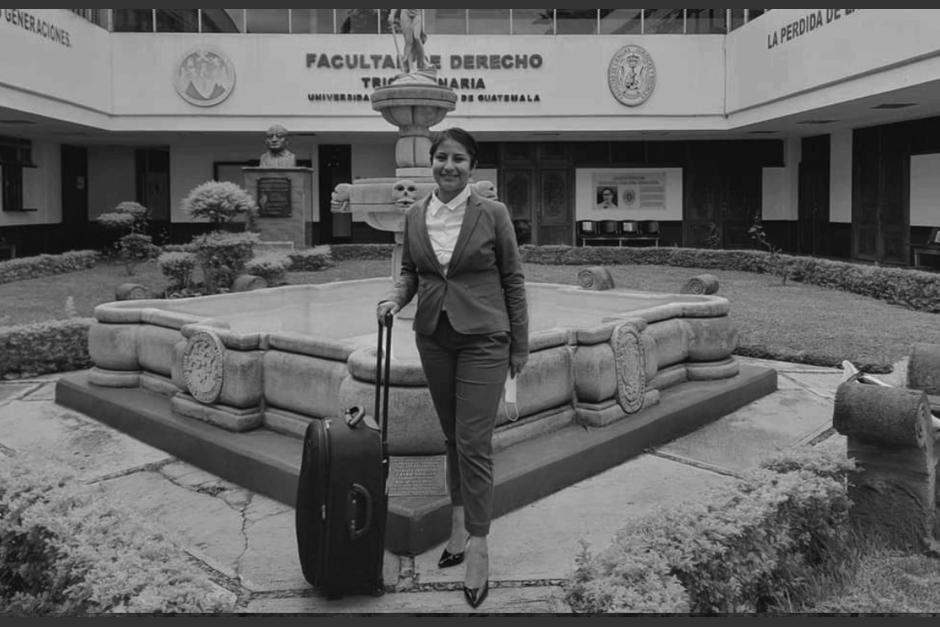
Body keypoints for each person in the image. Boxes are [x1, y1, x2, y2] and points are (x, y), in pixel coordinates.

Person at [376, 127, 528, 609]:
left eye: (458, 159)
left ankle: (479, 545)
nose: (448, 166)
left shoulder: (493, 213)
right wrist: (394, 299)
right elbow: (411, 273)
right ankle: (458, 528)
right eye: (441, 157)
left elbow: (513, 280)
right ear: (431, 162)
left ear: (472, 166)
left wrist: (518, 347)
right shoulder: (416, 214)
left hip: (485, 337)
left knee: (473, 442)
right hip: (434, 337)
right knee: (450, 438)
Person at [388, 9, 430, 76]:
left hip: (417, 12)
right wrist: (392, 14)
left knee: (417, 37)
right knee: (409, 41)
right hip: (405, 12)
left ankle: (423, 61)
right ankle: (411, 68)